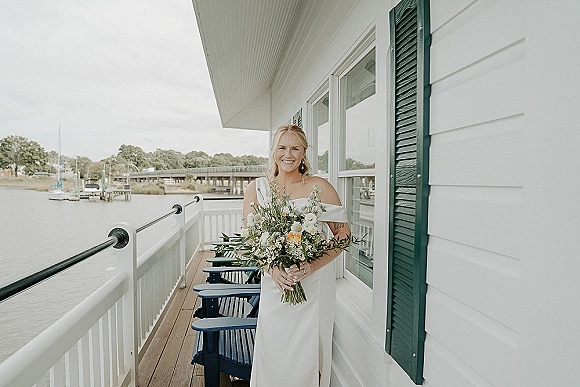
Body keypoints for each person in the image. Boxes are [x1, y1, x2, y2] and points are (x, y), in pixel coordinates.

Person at [243, 124, 351, 387]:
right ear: (273, 151)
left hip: (312, 289)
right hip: (275, 286)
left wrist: (312, 266)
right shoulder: (256, 189)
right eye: (282, 147)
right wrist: (272, 268)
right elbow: (251, 239)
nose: (288, 154)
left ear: (304, 153)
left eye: (295, 148)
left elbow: (344, 236)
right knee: (274, 352)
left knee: (308, 354)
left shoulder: (319, 187)